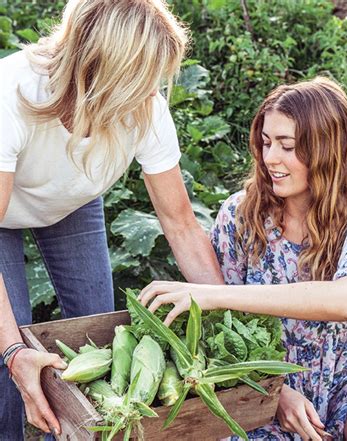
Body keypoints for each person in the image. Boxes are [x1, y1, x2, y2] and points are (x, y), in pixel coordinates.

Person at [138, 77, 347, 441]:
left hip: (346, 376)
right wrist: (273, 388)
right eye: (267, 142)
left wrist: (210, 295)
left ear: (327, 150)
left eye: (287, 146)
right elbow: (223, 332)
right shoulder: (242, 214)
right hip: (258, 384)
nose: (271, 158)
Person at [0, 1, 223, 439]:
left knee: (100, 329)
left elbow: (180, 224)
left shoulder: (147, 109)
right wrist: (11, 351)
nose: (154, 93)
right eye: (144, 79)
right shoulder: (12, 94)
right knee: (9, 346)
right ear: (105, 71)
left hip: (73, 200)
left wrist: (223, 313)